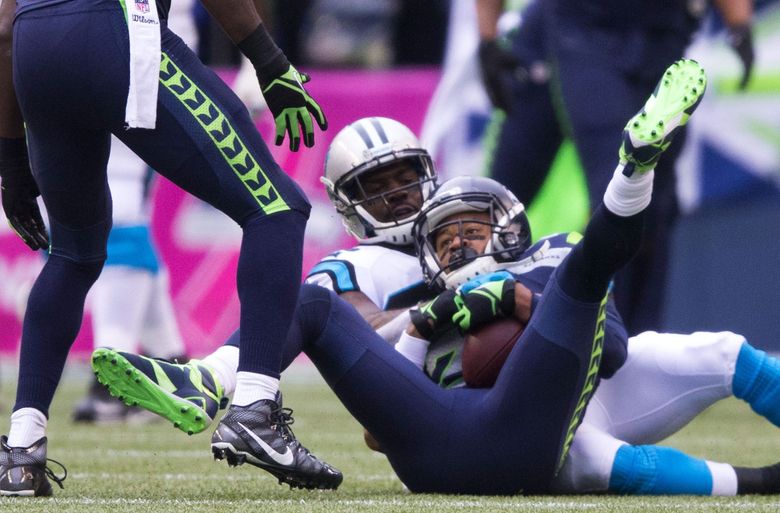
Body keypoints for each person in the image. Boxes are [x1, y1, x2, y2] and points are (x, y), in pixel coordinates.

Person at [87, 60, 780, 496]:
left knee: (706, 356)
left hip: (561, 401)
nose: (440, 229)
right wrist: (440, 311)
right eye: (445, 237)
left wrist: (508, 296)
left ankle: (634, 168)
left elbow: (615, 347)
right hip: (443, 422)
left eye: (468, 229)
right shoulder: (360, 269)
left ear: (506, 223)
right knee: (309, 298)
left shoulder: (541, 253)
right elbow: (374, 400)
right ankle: (221, 375)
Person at [0, 0, 337, 497]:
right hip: (116, 29)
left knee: (73, 253)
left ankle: (22, 453)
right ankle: (255, 409)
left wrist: (9, 156)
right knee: (278, 209)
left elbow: (4, 26)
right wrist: (270, 62)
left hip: (35, 46)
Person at [477, 0, 755, 335]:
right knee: (505, 199)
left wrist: (739, 24)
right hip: (576, 26)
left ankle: (635, 342)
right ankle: (458, 314)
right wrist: (488, 38)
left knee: (653, 201)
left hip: (661, 34)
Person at [73, 0, 198, 424]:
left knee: (119, 205)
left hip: (145, 44)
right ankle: (171, 363)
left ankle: (117, 369)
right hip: (91, 39)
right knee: (102, 209)